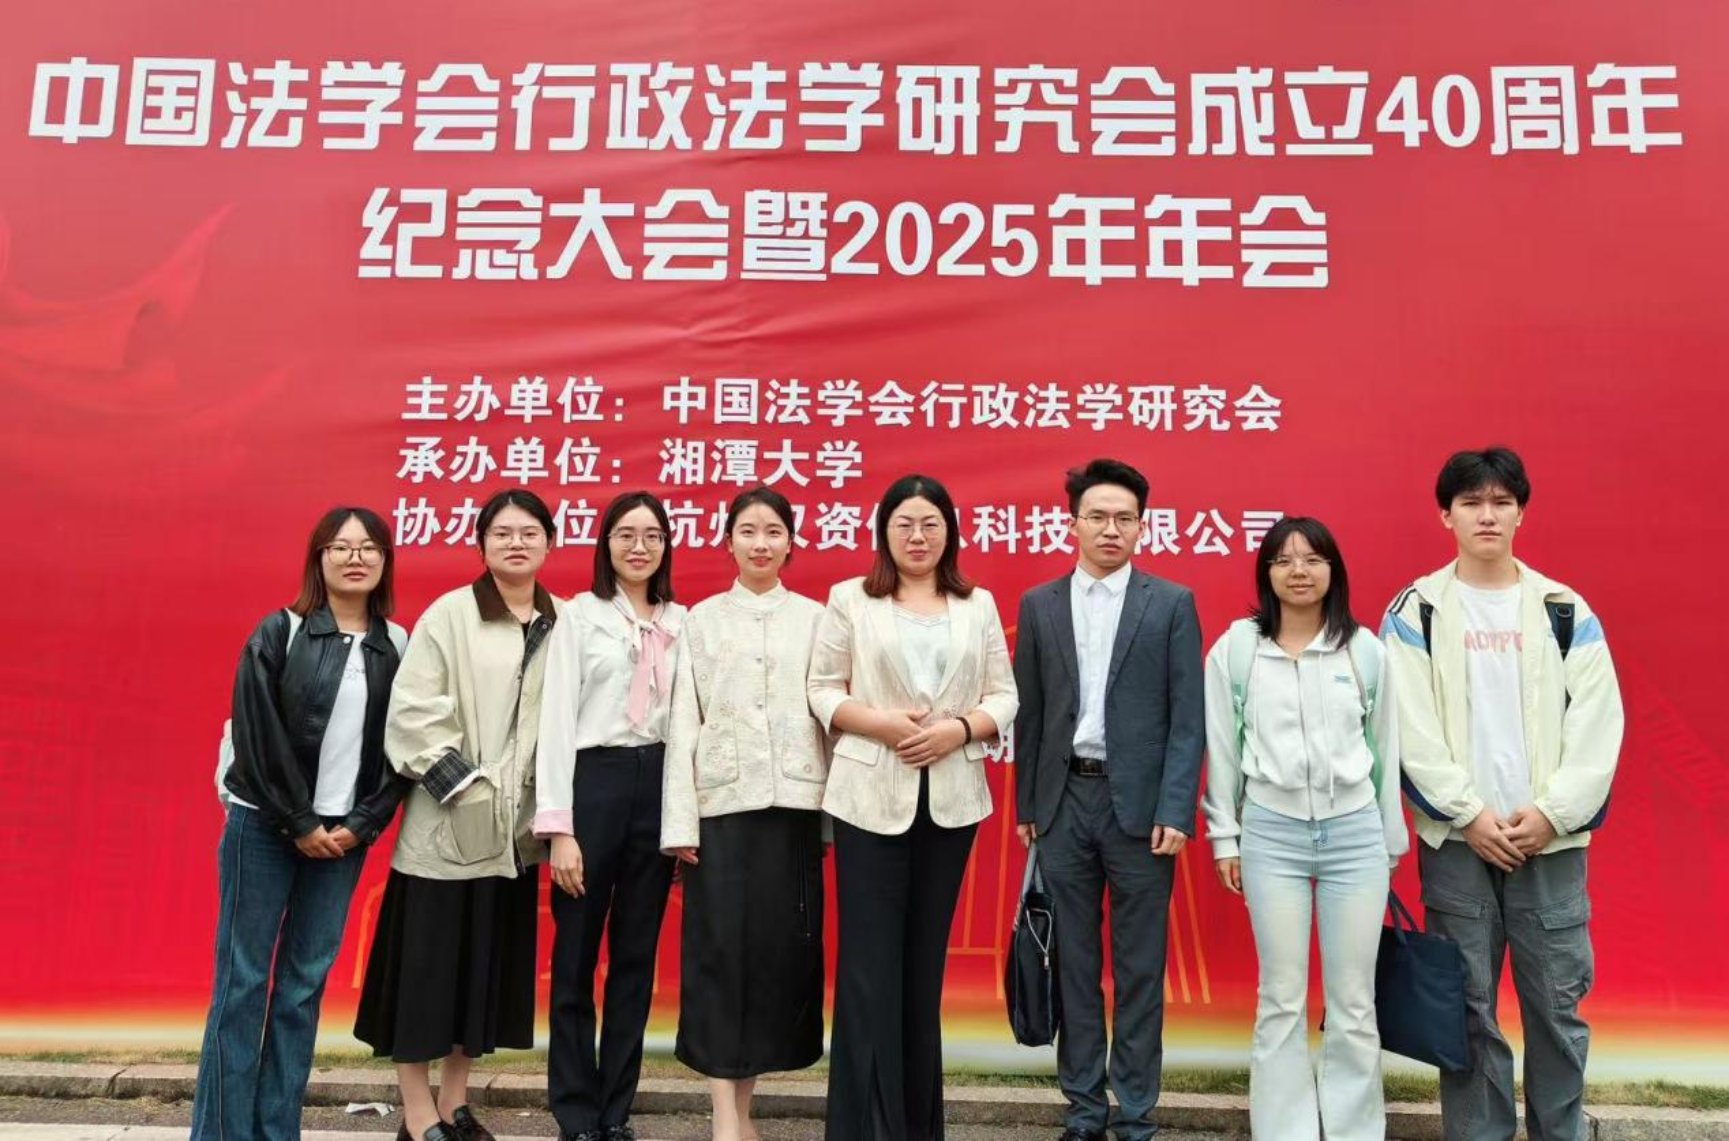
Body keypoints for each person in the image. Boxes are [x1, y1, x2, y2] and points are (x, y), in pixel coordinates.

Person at [1381, 447, 1623, 1141]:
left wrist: (1550, 812)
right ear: (1445, 515)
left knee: (1557, 1007)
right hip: (1458, 843)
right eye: (1470, 503)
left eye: (1500, 502)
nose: (1486, 515)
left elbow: (1598, 723)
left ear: (1521, 513)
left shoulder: (1563, 609)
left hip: (1550, 842)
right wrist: (1467, 813)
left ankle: (1559, 1131)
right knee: (1466, 1008)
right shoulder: (1416, 611)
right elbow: (1408, 727)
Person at [808, 473, 1019, 1141]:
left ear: (949, 532)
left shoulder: (976, 604)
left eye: (931, 523)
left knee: (922, 968)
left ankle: (917, 1125)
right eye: (905, 524)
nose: (918, 536)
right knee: (869, 967)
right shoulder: (851, 598)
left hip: (950, 802)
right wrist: (879, 723)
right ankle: (864, 1128)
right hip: (869, 798)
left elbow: (1005, 694)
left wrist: (960, 729)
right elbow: (821, 689)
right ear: (884, 532)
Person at [192, 506, 407, 1141]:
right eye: (341, 547)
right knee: (242, 984)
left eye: (368, 547)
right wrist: (299, 820)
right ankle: (222, 1133)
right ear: (319, 558)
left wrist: (362, 823)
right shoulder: (279, 631)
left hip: (342, 840)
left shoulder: (397, 645)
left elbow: (403, 748)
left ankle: (276, 1130)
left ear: (385, 561)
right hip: (263, 828)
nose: (355, 557)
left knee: (301, 989)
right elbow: (255, 735)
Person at [354, 490, 562, 1141]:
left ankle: (454, 1102)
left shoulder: (563, 620)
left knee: (479, 975)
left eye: (528, 532)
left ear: (549, 542)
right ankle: (417, 1115)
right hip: (446, 832)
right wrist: (470, 791)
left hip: (514, 838)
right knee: (426, 975)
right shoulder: (450, 614)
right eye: (502, 533)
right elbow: (413, 714)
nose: (515, 543)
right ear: (481, 544)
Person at [1011, 458, 1204, 1141]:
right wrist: (1028, 806)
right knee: (1073, 962)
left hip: (1142, 811)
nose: (1110, 528)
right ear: (1073, 523)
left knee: (1139, 965)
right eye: (1097, 516)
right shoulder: (1039, 604)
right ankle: (1084, 1108)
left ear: (1143, 527)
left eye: (1124, 518)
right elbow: (1031, 713)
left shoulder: (1170, 603)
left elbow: (1187, 717)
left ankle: (1137, 1112)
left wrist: (1176, 809)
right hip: (1064, 802)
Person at [1201, 516, 1407, 1141]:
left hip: (1354, 837)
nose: (1299, 571)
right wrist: (1225, 836)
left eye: (1313, 559)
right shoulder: (1238, 651)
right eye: (1284, 560)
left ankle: (1353, 1131)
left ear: (1333, 571)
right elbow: (1223, 749)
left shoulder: (1364, 652)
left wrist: (1388, 843)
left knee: (1354, 1002)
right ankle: (1283, 1130)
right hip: (1272, 835)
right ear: (1265, 572)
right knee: (1281, 997)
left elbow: (1385, 750)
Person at [661, 486, 829, 1141]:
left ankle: (746, 1110)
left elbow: (829, 720)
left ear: (791, 543)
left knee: (773, 963)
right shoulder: (701, 620)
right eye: (748, 531)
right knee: (719, 960)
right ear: (727, 541)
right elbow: (683, 721)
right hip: (721, 812)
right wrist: (680, 824)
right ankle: (723, 1118)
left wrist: (827, 821)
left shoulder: (815, 619)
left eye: (773, 531)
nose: (761, 543)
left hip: (794, 810)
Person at [537, 491, 688, 1141]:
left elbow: (689, 725)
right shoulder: (579, 616)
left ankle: (615, 1111)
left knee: (634, 958)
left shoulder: (682, 622)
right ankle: (575, 1112)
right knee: (574, 956)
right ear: (606, 544)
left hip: (658, 784)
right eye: (625, 534)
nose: (638, 546)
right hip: (592, 784)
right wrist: (560, 828)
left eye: (652, 535)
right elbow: (554, 720)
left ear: (666, 546)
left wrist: (682, 822)